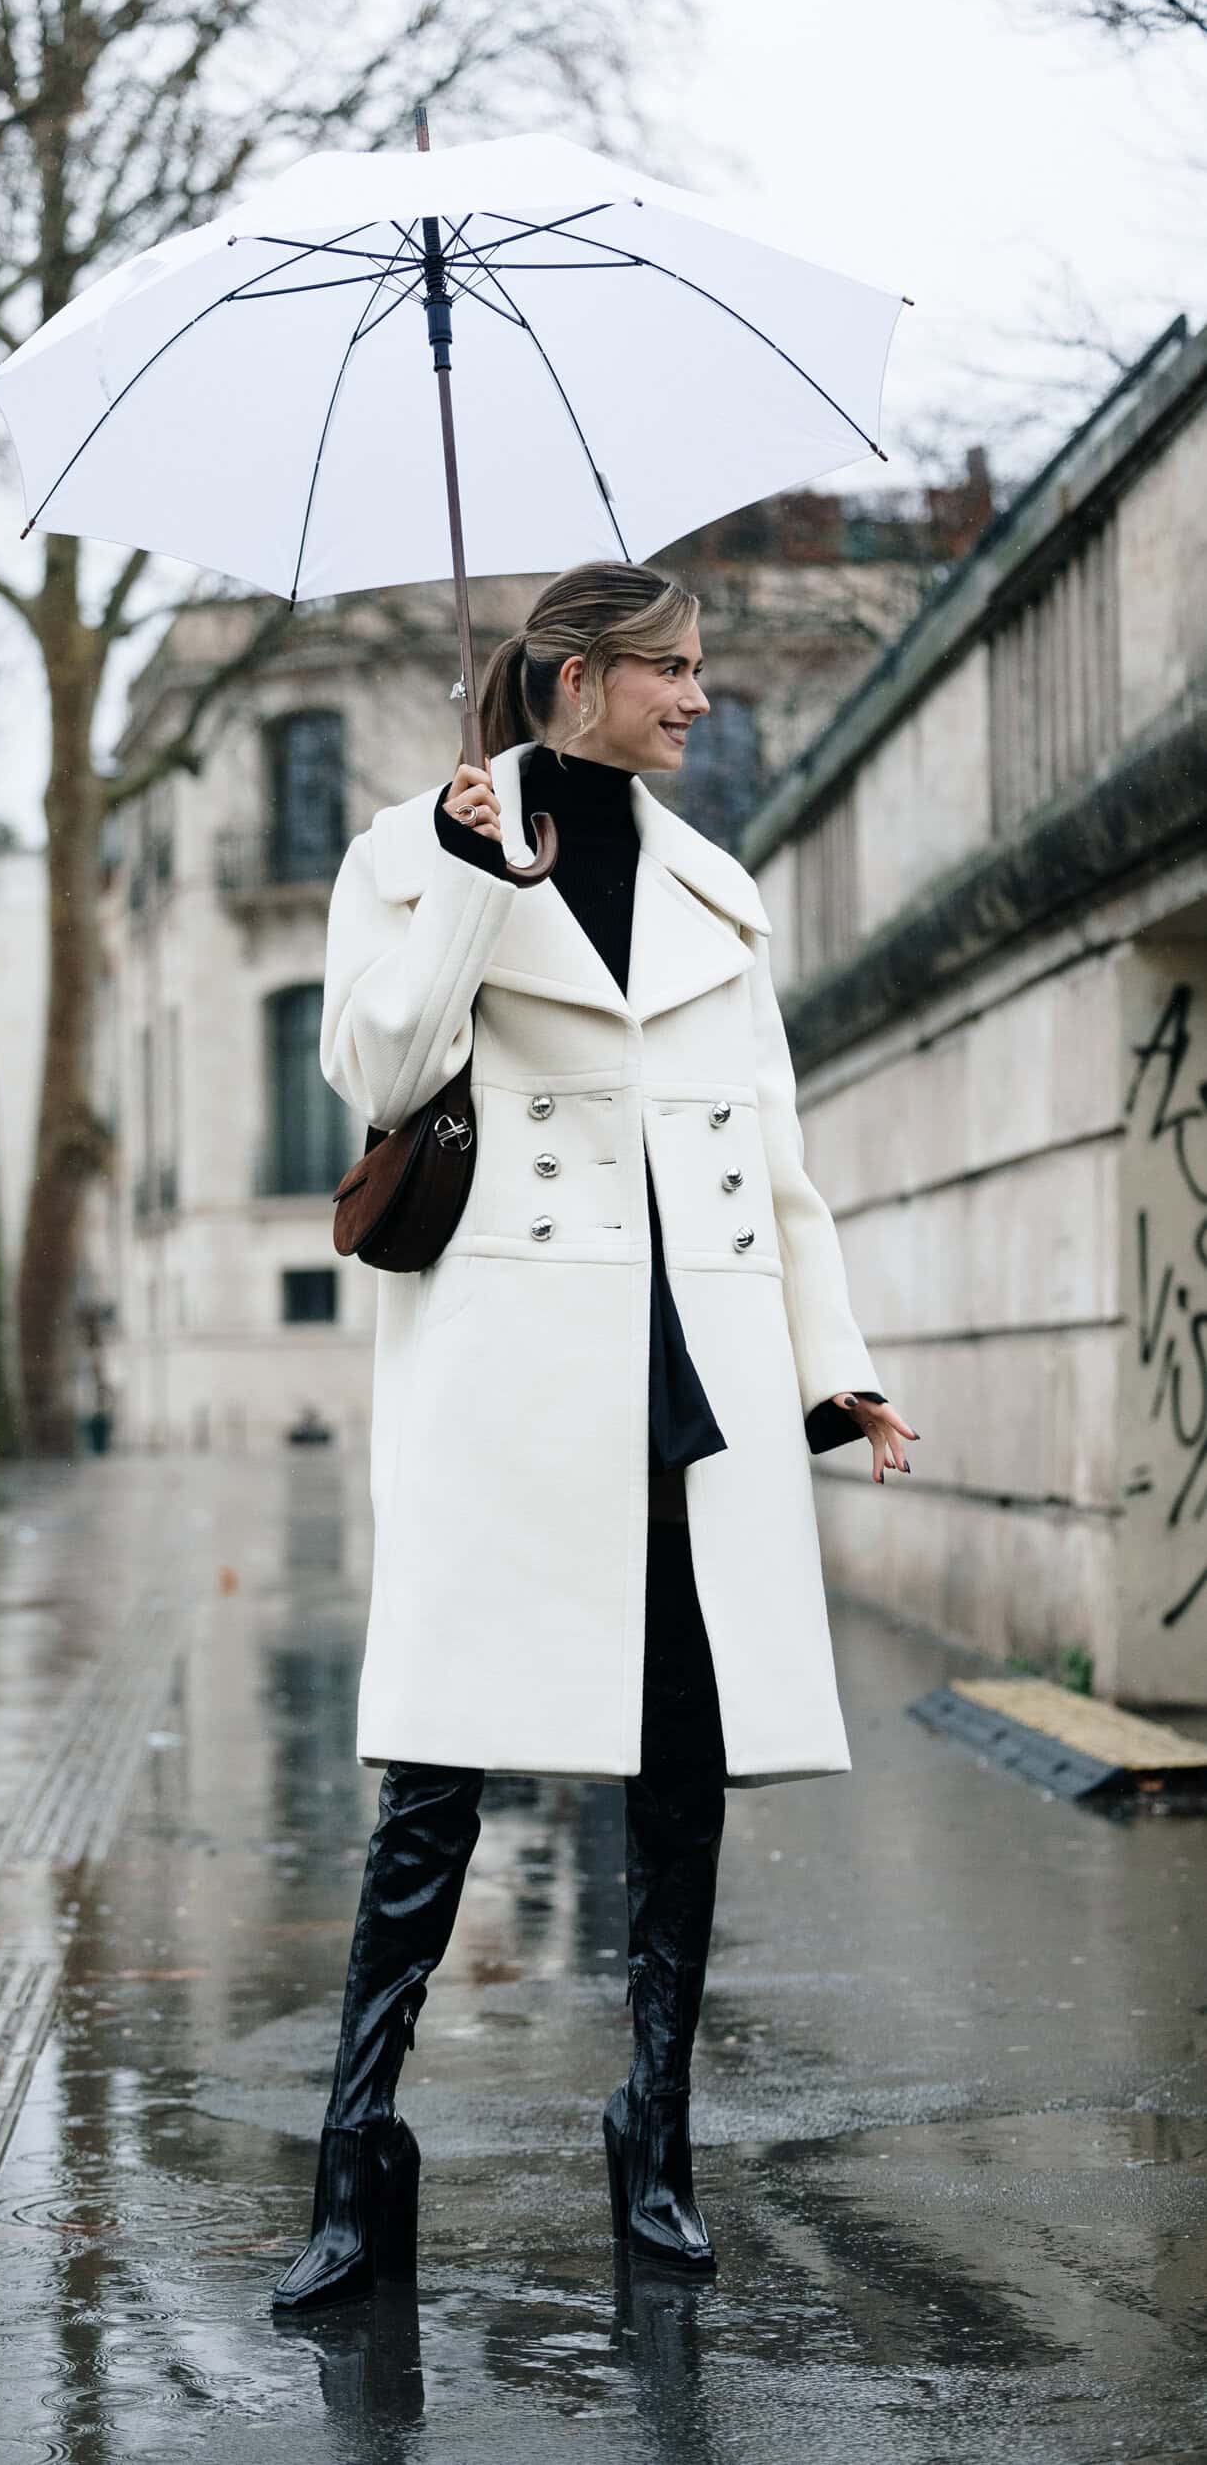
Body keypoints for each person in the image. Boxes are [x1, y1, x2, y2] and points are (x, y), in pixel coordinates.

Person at [273, 562, 918, 2310]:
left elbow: (771, 1165)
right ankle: (355, 2169)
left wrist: (827, 1365)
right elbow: (379, 1074)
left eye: (700, 668)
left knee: (682, 1781)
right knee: (437, 1789)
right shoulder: (410, 853)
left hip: (687, 1378)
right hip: (513, 1377)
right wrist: (479, 886)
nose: (700, 699)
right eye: (671, 673)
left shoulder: (714, 889)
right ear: (575, 680)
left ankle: (654, 2141)